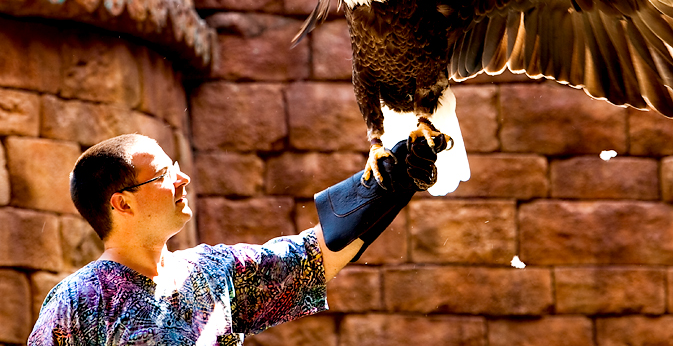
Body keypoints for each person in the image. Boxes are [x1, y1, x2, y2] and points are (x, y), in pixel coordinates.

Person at [28, 133, 444, 345]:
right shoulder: (77, 303)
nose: (182, 178)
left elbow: (315, 260)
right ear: (122, 204)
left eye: (177, 166)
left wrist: (392, 180)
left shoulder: (215, 271)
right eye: (164, 175)